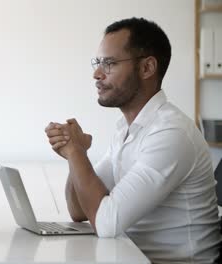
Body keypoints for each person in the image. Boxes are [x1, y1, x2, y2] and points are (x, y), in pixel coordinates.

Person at [45, 17, 220, 263]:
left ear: (147, 68)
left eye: (109, 63)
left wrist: (77, 153)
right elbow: (78, 211)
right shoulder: (126, 130)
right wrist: (76, 153)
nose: (96, 74)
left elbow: (105, 223)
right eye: (98, 63)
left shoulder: (171, 133)